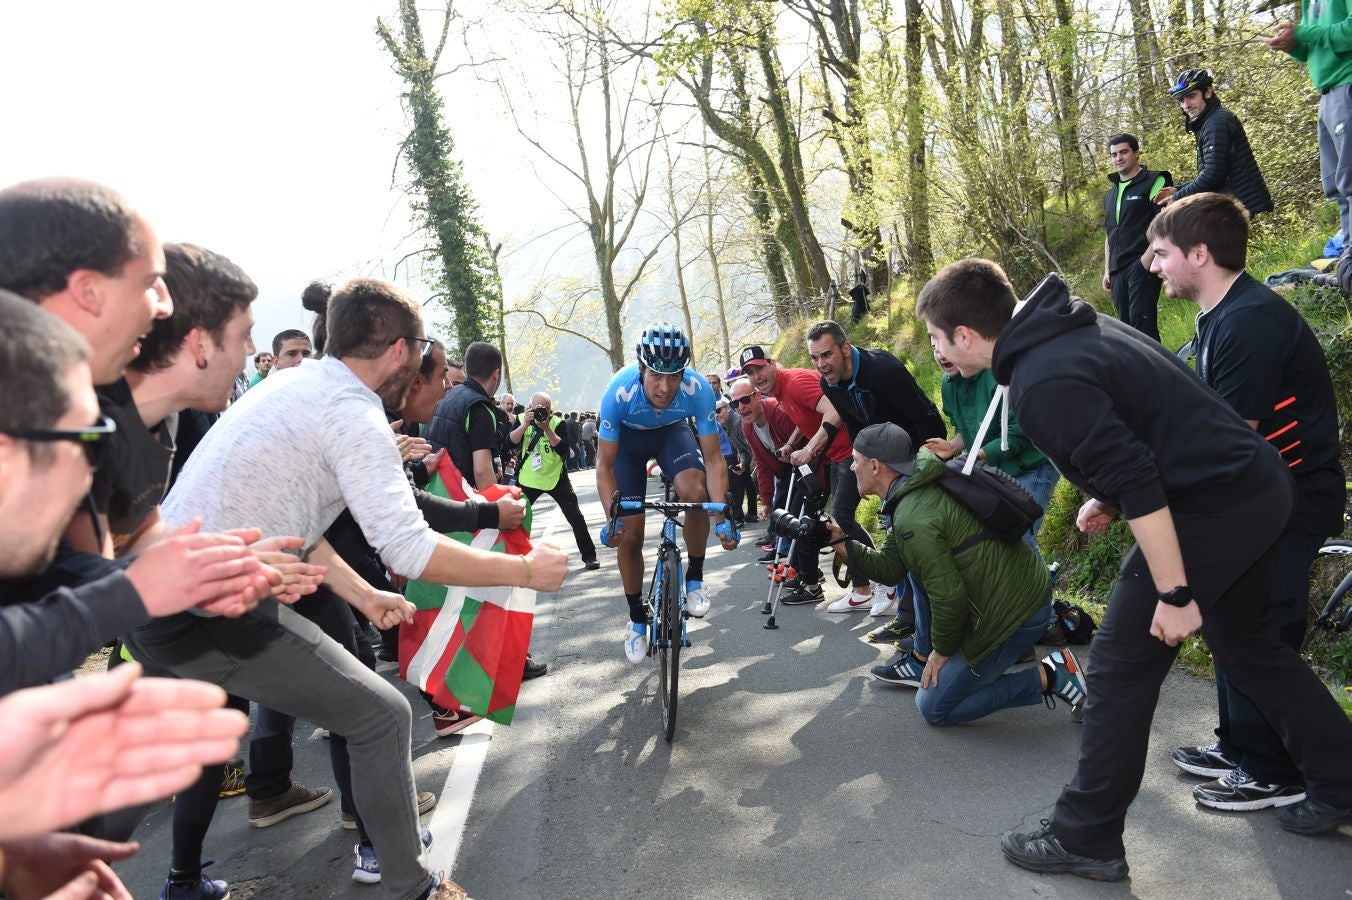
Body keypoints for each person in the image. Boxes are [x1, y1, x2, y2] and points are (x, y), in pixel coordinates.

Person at [124, 278, 567, 900]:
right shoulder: (352, 412)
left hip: (176, 595)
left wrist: (364, 596)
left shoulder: (296, 385)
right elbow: (410, 547)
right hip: (198, 610)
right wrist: (526, 572)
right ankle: (412, 885)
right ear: (399, 350)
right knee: (379, 715)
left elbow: (300, 522)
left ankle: (184, 881)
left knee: (330, 721)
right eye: (419, 351)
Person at [914, 257, 1352, 882]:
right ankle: (1341, 777)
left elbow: (1141, 478)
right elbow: (1147, 430)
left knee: (1119, 668)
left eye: (935, 338)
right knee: (1249, 646)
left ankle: (1085, 833)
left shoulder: (1042, 380)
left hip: (1217, 504)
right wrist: (1109, 496)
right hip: (1249, 485)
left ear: (964, 333)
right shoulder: (1066, 330)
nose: (936, 351)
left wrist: (1174, 591)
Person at [1149, 193, 1348, 811]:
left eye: (1162, 253)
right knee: (1235, 621)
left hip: (1290, 496)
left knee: (1258, 630)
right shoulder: (1221, 315)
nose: (1152, 267)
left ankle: (1275, 769)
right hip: (1260, 495)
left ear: (1200, 254)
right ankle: (1242, 746)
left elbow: (1230, 441)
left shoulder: (1249, 322)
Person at [826, 424, 1083, 723]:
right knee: (919, 573)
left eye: (855, 459)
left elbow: (948, 596)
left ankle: (1052, 676)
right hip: (1009, 594)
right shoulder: (913, 489)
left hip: (1016, 612)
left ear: (875, 465)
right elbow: (891, 568)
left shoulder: (914, 515)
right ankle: (938, 660)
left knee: (935, 706)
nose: (851, 466)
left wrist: (942, 651)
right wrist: (842, 543)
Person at [596, 322, 738, 661]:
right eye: (656, 376)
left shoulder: (698, 389)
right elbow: (603, 467)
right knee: (630, 535)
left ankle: (695, 578)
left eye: (674, 376)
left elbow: (715, 459)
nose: (664, 387)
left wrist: (722, 516)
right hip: (628, 444)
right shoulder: (618, 392)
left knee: (695, 491)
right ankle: (636, 619)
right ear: (641, 368)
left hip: (672, 434)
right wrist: (611, 516)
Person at [804, 322, 947, 615]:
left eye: (827, 355)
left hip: (914, 463)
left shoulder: (884, 371)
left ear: (845, 348)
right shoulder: (827, 383)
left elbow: (928, 419)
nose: (821, 365)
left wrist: (920, 468)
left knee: (918, 545)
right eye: (815, 358)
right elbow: (855, 425)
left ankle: (921, 620)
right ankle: (908, 616)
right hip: (882, 469)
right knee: (899, 546)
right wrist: (862, 469)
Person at [740, 344, 881, 611]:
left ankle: (884, 581)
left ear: (772, 363)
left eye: (760, 368)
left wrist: (809, 448)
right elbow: (805, 419)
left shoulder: (794, 383)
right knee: (826, 523)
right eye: (750, 373)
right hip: (833, 457)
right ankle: (861, 588)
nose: (757, 377)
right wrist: (793, 444)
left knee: (842, 519)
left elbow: (835, 410)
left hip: (849, 452)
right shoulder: (780, 392)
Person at [923, 338, 1059, 550]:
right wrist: (952, 447)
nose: (939, 355)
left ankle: (1037, 582)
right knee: (1006, 540)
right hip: (995, 472)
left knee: (1020, 539)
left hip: (1033, 465)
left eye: (943, 346)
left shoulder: (997, 374)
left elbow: (1017, 435)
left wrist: (973, 458)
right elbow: (963, 429)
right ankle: (1039, 579)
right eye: (934, 348)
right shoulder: (948, 384)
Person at [1268, 7, 1352, 240]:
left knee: (1350, 179)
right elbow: (1310, 48)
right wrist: (1292, 45)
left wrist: (1303, 32)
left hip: (1347, 84)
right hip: (1327, 94)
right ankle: (1349, 257)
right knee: (1337, 187)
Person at [1155, 69, 1272, 217]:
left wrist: (1178, 198)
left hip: (1237, 203)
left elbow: (1213, 174)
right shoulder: (1209, 122)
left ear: (1208, 92)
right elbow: (1212, 172)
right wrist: (1178, 190)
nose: (1186, 105)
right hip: (1230, 203)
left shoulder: (1217, 122)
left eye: (1191, 96)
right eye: (1181, 100)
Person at [512, 393, 600, 571]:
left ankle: (590, 556)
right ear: (529, 407)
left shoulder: (558, 423)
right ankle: (514, 560)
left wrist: (546, 429)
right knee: (515, 518)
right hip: (529, 479)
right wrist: (524, 425)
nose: (539, 412)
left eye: (543, 409)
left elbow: (563, 450)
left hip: (555, 477)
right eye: (535, 408)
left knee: (576, 517)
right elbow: (509, 443)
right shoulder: (522, 419)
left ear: (550, 411)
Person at [1101, 133, 1171, 341]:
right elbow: (1110, 234)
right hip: (1116, 271)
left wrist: (1145, 261)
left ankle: (1160, 372)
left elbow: (1165, 220)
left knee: (1143, 325)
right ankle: (1138, 373)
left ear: (1136, 152)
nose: (1118, 158)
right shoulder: (1110, 195)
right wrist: (1107, 271)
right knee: (1126, 329)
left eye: (1124, 152)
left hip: (1142, 263)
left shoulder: (1154, 180)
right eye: (1114, 154)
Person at [728, 378, 796, 564]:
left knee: (795, 515)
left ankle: (801, 569)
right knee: (779, 512)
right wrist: (765, 502)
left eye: (745, 400)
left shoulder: (778, 411)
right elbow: (761, 463)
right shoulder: (746, 425)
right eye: (735, 403)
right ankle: (782, 555)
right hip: (782, 471)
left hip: (805, 467)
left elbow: (806, 434)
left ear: (757, 395)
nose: (741, 407)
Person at [714, 398, 755, 526]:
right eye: (713, 413)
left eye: (718, 410)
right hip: (750, 457)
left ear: (728, 408)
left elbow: (754, 446)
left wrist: (758, 463)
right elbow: (742, 449)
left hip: (765, 456)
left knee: (738, 485)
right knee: (745, 481)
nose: (716, 415)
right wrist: (743, 463)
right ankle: (751, 514)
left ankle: (741, 517)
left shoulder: (737, 423)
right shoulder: (725, 424)